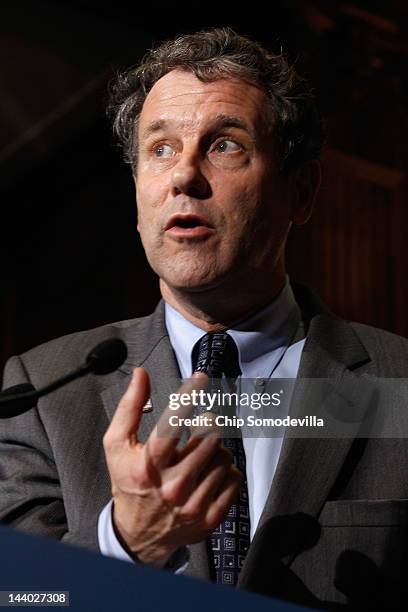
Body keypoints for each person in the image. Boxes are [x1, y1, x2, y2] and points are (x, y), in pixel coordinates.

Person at [1, 27, 408, 608]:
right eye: (160, 149)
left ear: (302, 191)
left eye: (225, 145)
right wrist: (126, 543)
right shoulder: (43, 392)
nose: (183, 177)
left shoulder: (399, 384)